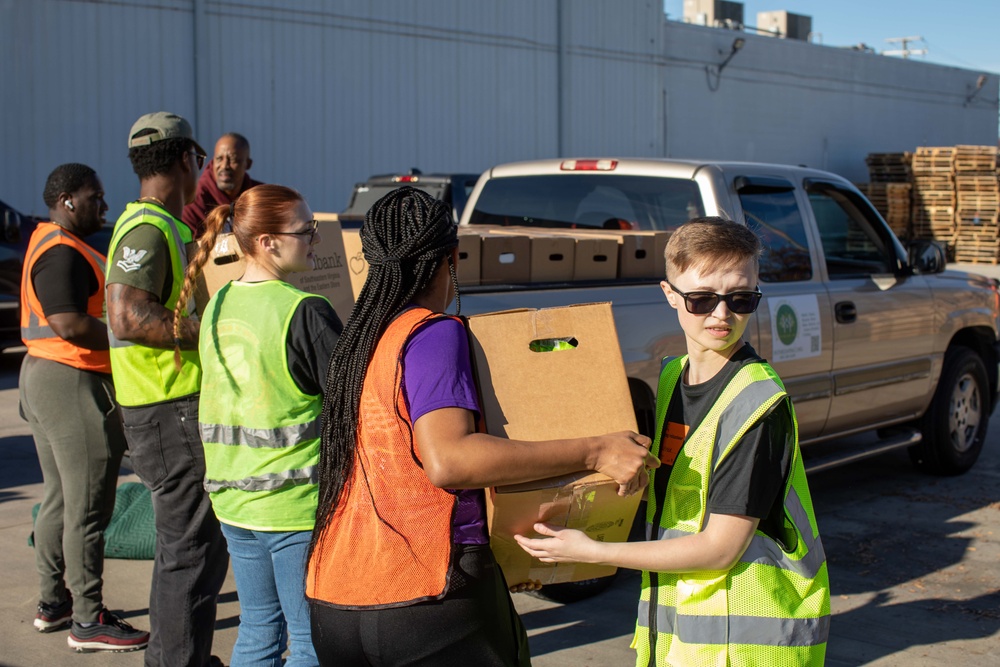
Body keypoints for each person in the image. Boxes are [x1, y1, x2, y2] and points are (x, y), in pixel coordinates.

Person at [305, 186, 658, 666]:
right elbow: (450, 460)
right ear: (451, 257)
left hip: (335, 602)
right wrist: (595, 450)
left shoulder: (359, 342)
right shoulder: (431, 332)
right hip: (425, 601)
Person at [515, 217, 831, 666]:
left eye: (741, 299)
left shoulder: (758, 405)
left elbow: (720, 548)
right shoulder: (671, 378)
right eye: (702, 300)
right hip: (689, 633)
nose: (722, 315)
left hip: (743, 647)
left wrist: (593, 552)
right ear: (669, 294)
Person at [174, 185, 342, 667]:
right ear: (268, 242)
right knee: (310, 639)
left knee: (259, 626)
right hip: (292, 506)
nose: (314, 239)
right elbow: (352, 404)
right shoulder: (304, 311)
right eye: (305, 231)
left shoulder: (217, 306)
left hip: (234, 502)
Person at [105, 111, 229, 667]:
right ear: (186, 159)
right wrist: (216, 330)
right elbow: (127, 316)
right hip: (167, 409)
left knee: (187, 550)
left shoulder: (169, 225)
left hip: (167, 408)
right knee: (191, 552)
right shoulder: (148, 228)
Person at [19, 163, 150, 652]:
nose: (105, 205)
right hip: (70, 381)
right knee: (88, 507)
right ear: (69, 199)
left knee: (58, 496)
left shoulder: (48, 241)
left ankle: (53, 603)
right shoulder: (61, 253)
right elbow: (70, 323)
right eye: (96, 197)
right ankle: (87, 618)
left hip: (44, 376)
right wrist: (129, 336)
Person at [182, 132, 262, 238]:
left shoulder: (258, 197)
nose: (224, 166)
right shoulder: (195, 198)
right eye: (219, 159)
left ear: (247, 164)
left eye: (233, 160)